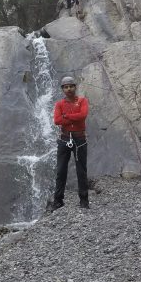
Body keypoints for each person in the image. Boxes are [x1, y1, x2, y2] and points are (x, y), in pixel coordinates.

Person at [50, 76, 90, 211]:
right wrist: (74, 118)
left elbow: (83, 115)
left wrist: (66, 116)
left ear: (75, 87)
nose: (69, 89)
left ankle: (84, 201)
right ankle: (58, 201)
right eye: (66, 87)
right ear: (62, 89)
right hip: (64, 139)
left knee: (81, 170)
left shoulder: (83, 101)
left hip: (79, 139)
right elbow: (57, 120)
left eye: (71, 86)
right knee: (61, 171)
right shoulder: (59, 104)